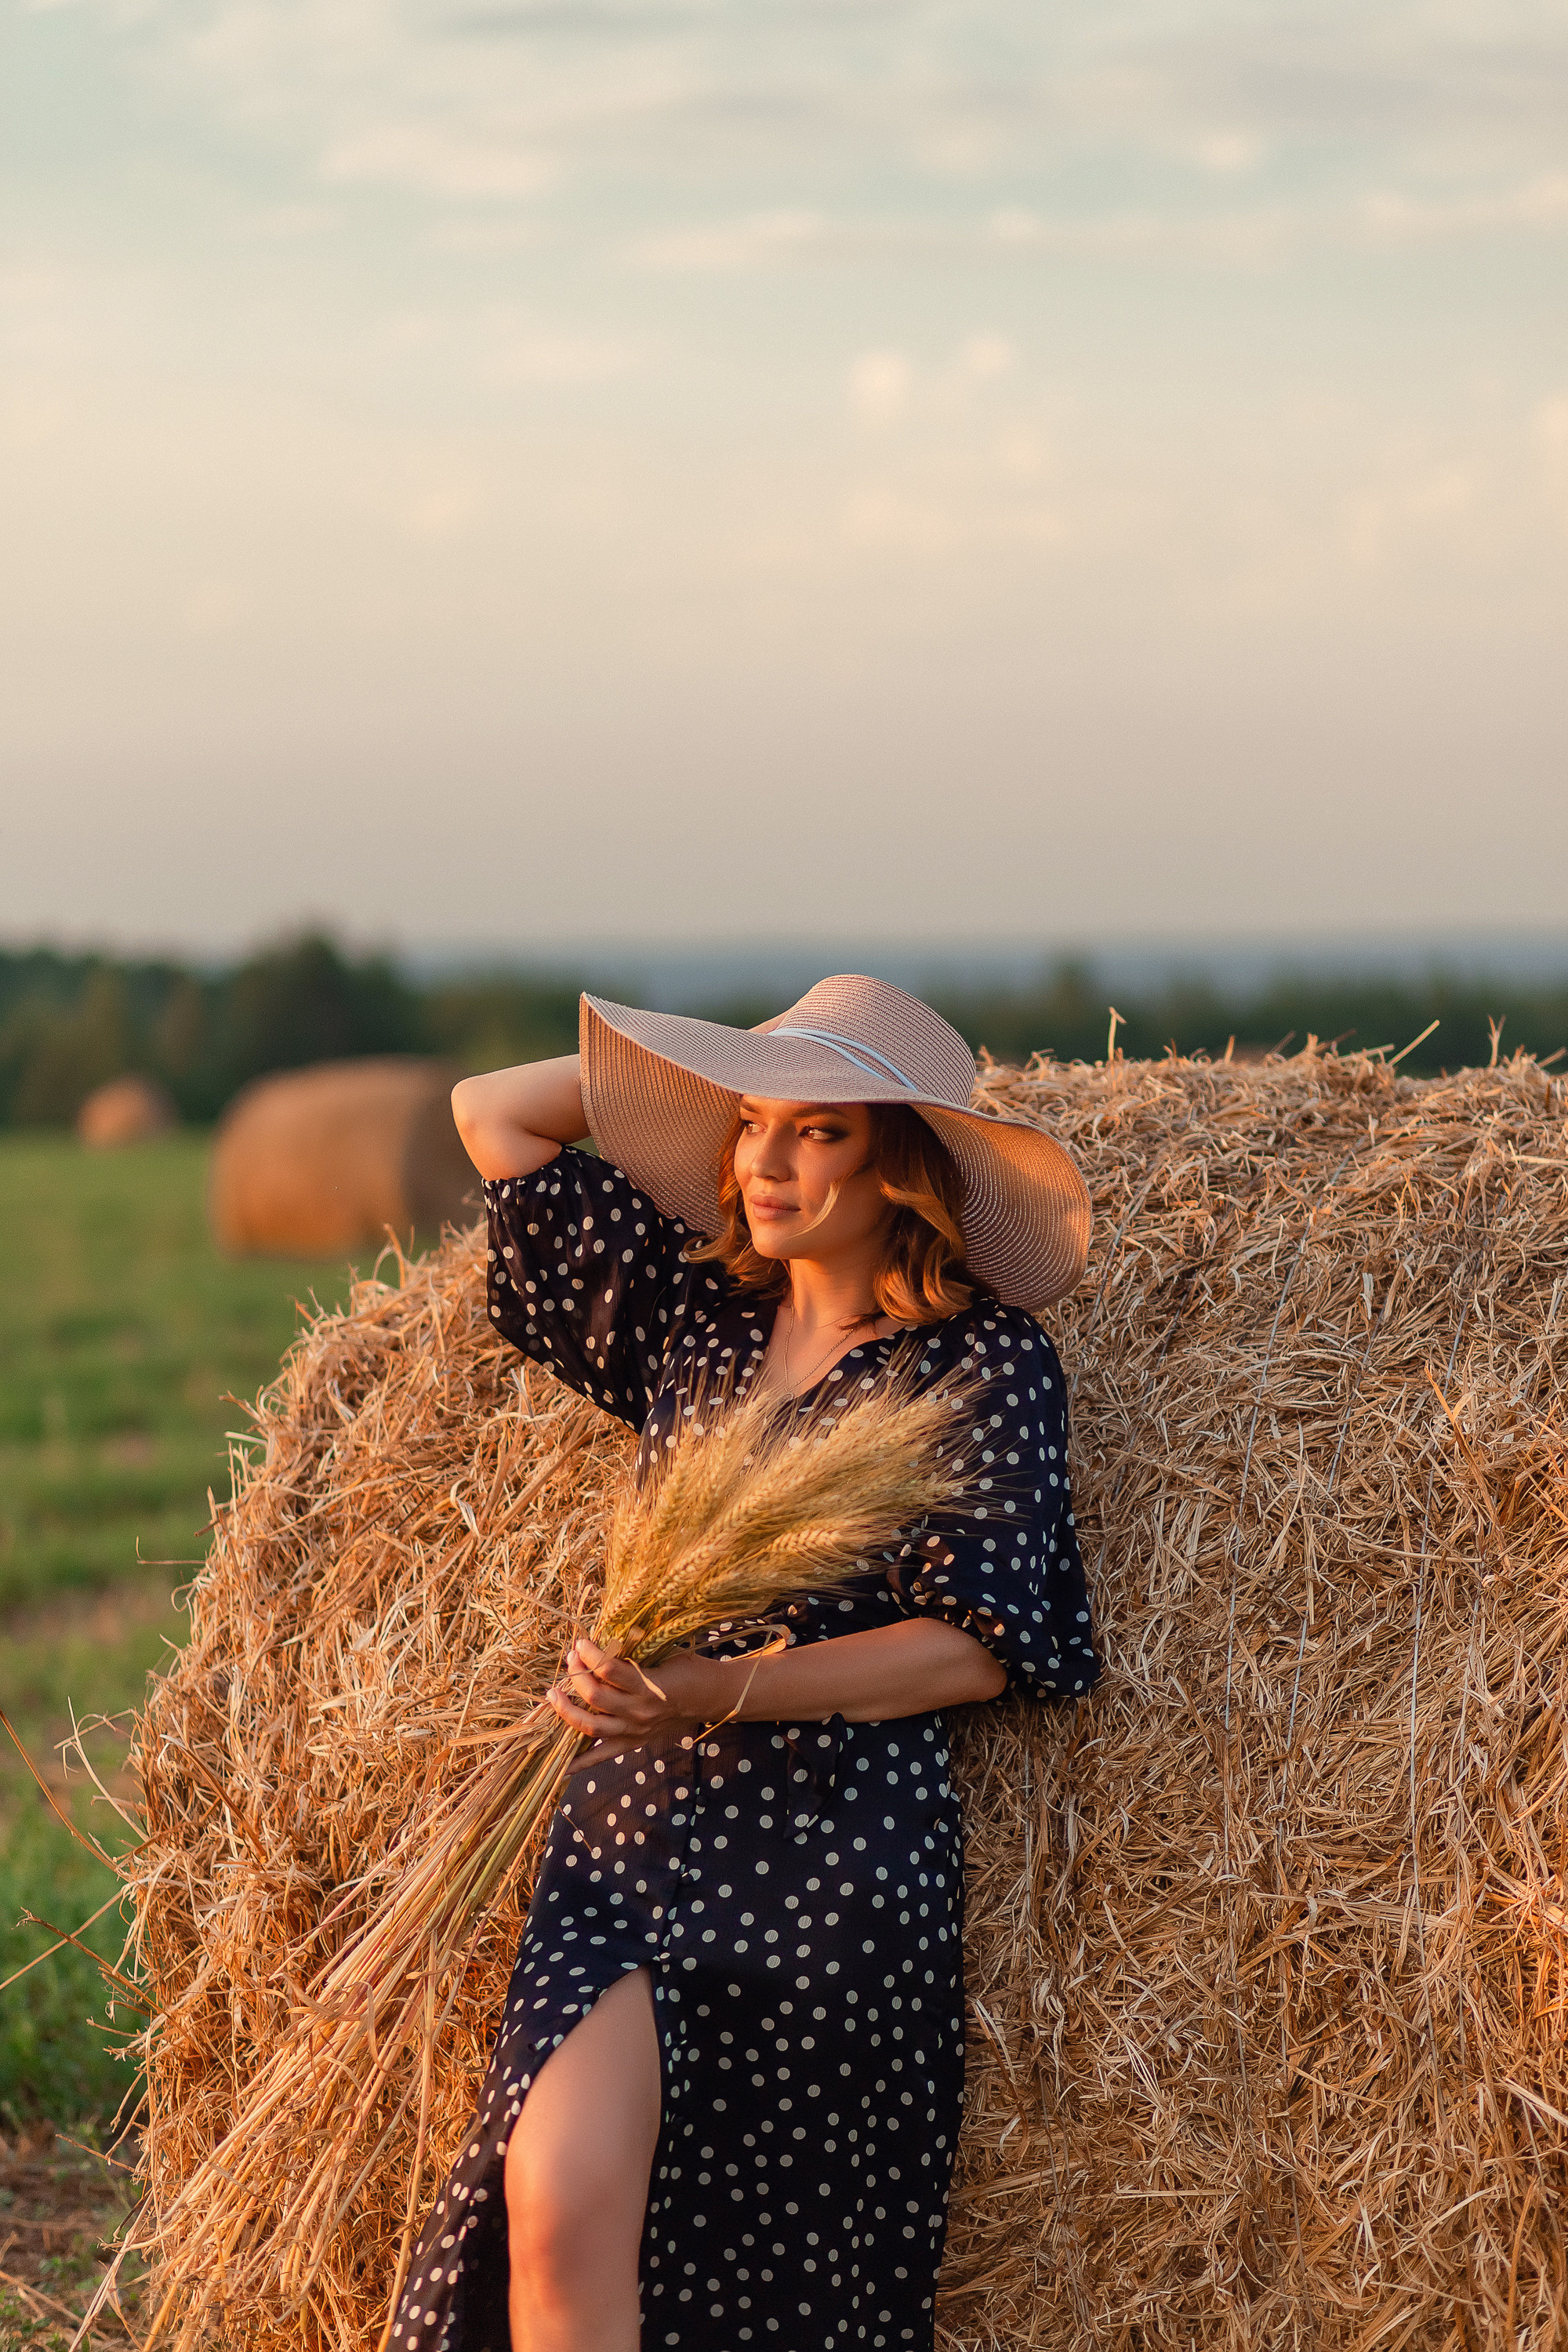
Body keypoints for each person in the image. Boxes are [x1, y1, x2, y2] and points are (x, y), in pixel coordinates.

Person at [388, 975, 1099, 2352]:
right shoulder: (694, 1314)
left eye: (819, 1133)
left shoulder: (985, 1365)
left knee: (773, 2288)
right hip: (626, 1841)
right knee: (555, 2199)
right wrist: (685, 1082)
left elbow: (979, 1649)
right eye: (751, 1128)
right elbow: (494, 1118)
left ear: (905, 1163)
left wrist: (710, 1692)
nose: (767, 1165)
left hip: (827, 1864)